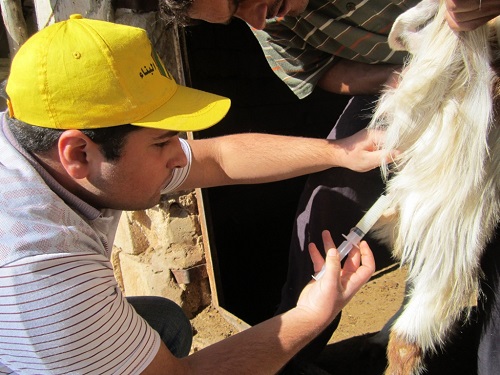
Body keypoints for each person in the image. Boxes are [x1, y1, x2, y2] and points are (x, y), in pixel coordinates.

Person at [0, 14, 391, 374]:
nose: (179, 155)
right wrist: (308, 314)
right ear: (77, 153)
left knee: (163, 322)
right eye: (161, 143)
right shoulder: (41, 271)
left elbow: (215, 159)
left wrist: (341, 152)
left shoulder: (43, 147)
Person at [158, 0, 500, 372]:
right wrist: (343, 148)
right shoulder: (266, 21)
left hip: (480, 62)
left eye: (241, 1)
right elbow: (314, 74)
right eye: (235, 18)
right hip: (410, 75)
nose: (256, 21)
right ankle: (289, 355)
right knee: (325, 215)